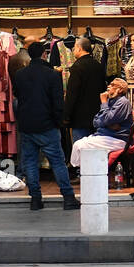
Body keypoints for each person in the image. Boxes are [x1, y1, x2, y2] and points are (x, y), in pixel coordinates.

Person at [11, 41, 80, 211]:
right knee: (57, 162)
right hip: (47, 124)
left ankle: (35, 199)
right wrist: (60, 122)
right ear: (44, 54)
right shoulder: (52, 75)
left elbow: (17, 97)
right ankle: (68, 197)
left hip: (27, 125)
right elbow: (58, 103)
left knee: (30, 163)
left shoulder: (20, 75)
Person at [70, 77, 134, 167]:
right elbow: (95, 122)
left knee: (80, 146)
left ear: (119, 90)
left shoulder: (123, 102)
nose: (108, 86)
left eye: (112, 85)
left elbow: (107, 119)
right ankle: (86, 171)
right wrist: (107, 124)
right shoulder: (110, 101)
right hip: (105, 136)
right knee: (78, 145)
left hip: (116, 139)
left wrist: (103, 103)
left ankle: (86, 171)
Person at [63, 36, 106, 145]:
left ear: (79, 48)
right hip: (97, 115)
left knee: (80, 150)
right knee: (95, 150)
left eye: (74, 48)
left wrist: (66, 115)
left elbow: (72, 93)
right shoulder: (98, 65)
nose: (73, 50)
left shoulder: (77, 67)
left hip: (80, 117)